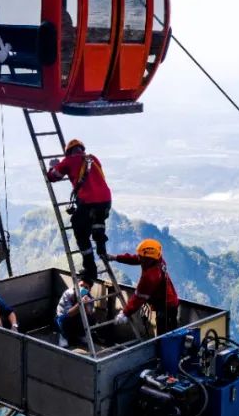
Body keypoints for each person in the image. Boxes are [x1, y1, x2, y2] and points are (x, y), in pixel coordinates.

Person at [47, 138, 111, 285]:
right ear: (82, 149)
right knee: (98, 222)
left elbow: (52, 177)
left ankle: (90, 268)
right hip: (106, 200)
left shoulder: (69, 161)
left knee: (80, 230)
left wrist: (54, 166)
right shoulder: (93, 159)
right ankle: (101, 248)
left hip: (88, 201)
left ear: (69, 152)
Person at [110, 238, 179, 335]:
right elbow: (135, 259)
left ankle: (164, 349)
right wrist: (116, 257)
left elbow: (138, 297)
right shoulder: (156, 259)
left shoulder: (151, 276)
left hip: (167, 305)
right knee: (167, 332)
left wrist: (125, 313)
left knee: (165, 335)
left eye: (141, 256)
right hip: (166, 299)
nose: (139, 257)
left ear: (148, 258)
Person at [55, 278, 94, 348]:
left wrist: (85, 304)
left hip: (76, 318)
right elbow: (69, 313)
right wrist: (80, 303)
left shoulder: (89, 297)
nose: (82, 288)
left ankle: (81, 335)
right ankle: (63, 336)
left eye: (86, 287)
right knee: (65, 319)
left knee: (91, 318)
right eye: (81, 285)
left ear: (89, 290)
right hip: (63, 318)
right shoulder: (68, 294)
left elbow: (89, 313)